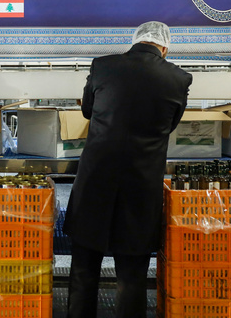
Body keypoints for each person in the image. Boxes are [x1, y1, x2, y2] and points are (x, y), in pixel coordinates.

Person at [63, 21, 192, 318]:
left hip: (95, 181)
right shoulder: (179, 78)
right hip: (141, 187)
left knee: (84, 270)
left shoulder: (102, 66)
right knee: (131, 276)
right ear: (164, 47)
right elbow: (169, 125)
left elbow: (87, 110)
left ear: (135, 41)